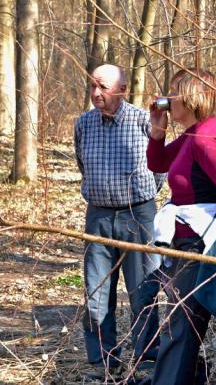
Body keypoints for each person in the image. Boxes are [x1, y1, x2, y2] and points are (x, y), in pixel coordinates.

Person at [146, 69, 216, 384]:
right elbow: (159, 163)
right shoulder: (195, 134)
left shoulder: (206, 137)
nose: (166, 99)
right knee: (180, 328)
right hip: (185, 246)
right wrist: (157, 130)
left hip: (198, 248)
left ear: (192, 96)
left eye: (173, 92)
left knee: (182, 329)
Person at [74, 64, 163, 380]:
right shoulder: (84, 124)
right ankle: (103, 362)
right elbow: (82, 164)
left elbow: (160, 166)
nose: (96, 93)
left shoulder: (143, 121)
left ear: (122, 90)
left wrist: (142, 199)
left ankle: (147, 361)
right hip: (97, 216)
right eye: (92, 87)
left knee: (144, 290)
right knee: (96, 291)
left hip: (138, 216)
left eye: (103, 87)